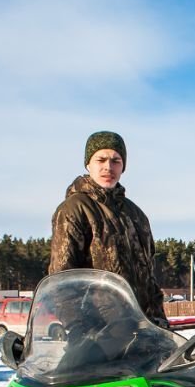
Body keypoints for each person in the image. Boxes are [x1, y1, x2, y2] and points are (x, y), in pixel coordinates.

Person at [48, 130, 168, 327]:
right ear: (88, 164)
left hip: (144, 329)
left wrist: (159, 320)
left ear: (123, 167)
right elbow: (62, 278)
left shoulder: (135, 214)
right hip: (99, 332)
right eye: (100, 160)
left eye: (116, 161)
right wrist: (77, 326)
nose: (108, 167)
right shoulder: (75, 209)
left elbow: (149, 276)